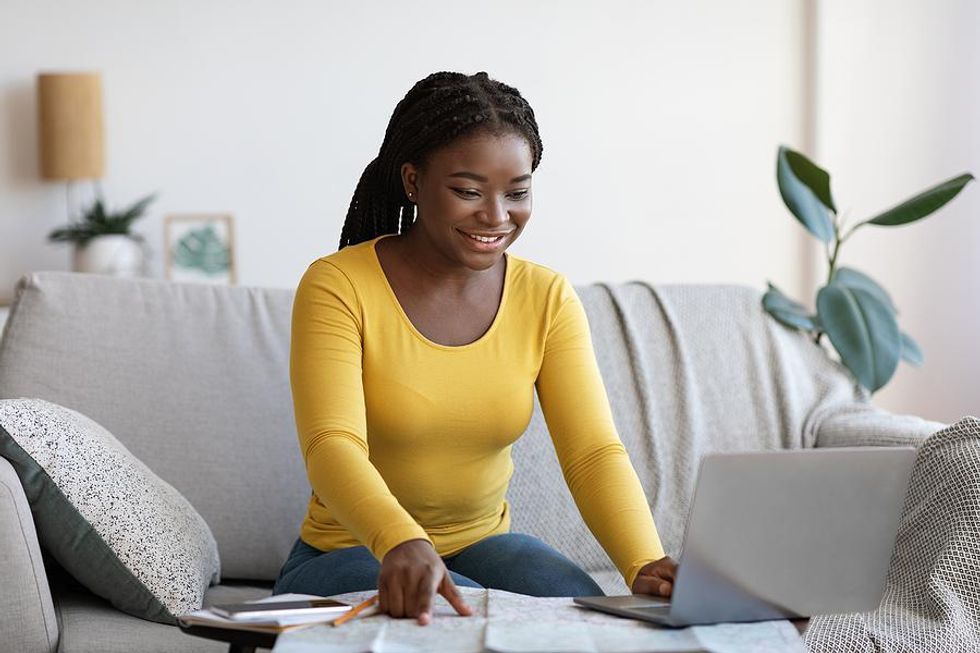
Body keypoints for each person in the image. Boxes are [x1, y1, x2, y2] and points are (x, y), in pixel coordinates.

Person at [274, 71, 677, 625]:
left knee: (587, 612)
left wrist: (643, 563)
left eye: (517, 192)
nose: (496, 215)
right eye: (468, 191)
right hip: (348, 554)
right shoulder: (338, 285)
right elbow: (331, 444)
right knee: (458, 614)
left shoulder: (546, 296)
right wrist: (399, 541)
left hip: (483, 546)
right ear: (413, 182)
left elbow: (592, 454)